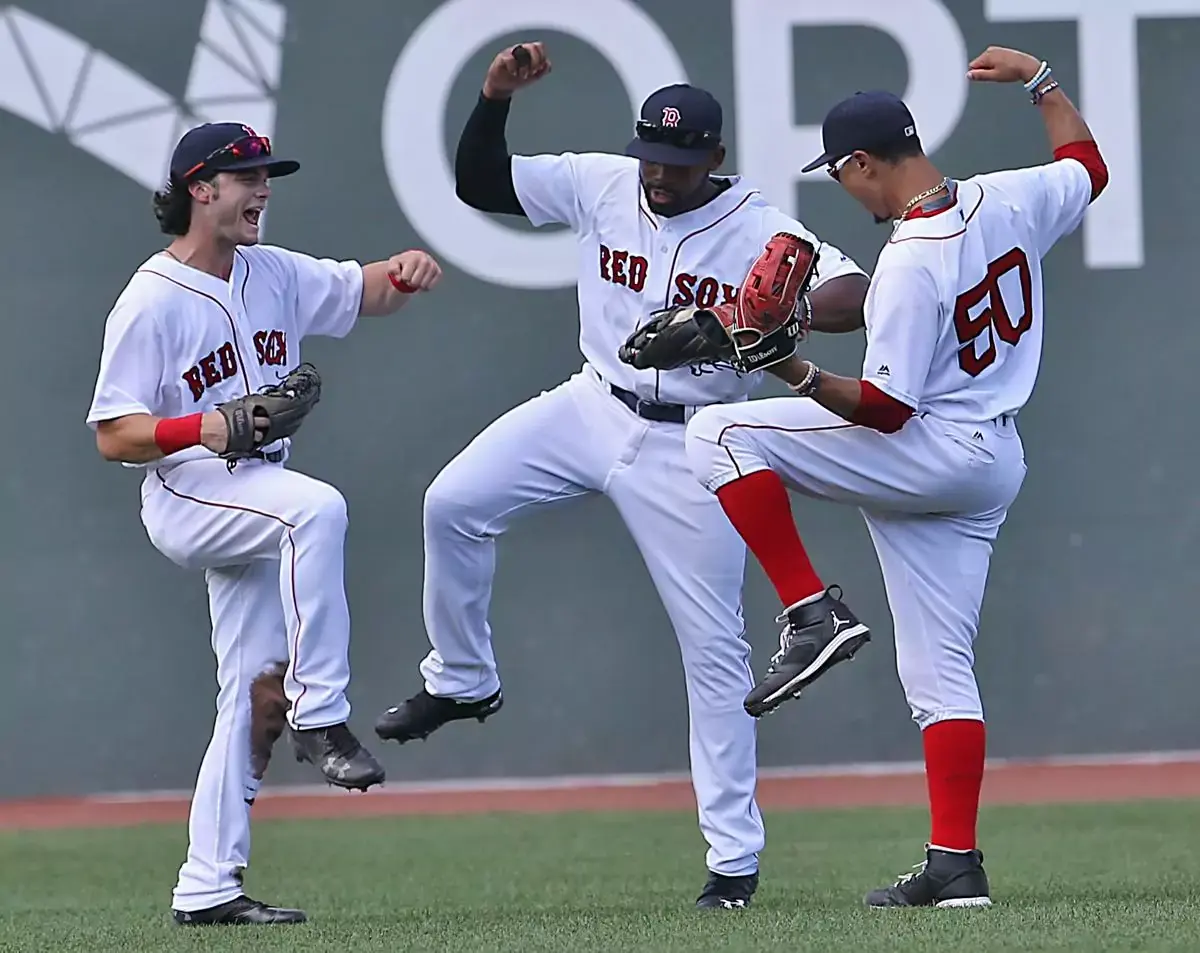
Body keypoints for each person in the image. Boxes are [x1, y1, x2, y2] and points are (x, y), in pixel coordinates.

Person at [373, 42, 870, 910]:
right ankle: (463, 679)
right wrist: (493, 99)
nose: (662, 175)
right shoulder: (603, 181)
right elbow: (482, 186)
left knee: (715, 654)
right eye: (653, 156)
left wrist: (756, 314)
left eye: (680, 163)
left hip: (693, 439)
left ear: (713, 158)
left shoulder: (760, 224)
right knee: (452, 501)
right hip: (591, 403)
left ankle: (733, 862)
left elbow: (854, 293)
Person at [682, 46, 1108, 907]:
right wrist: (1041, 80)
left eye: (840, 175)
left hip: (932, 449)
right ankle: (956, 865)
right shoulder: (1009, 196)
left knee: (718, 431)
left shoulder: (911, 261)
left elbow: (883, 411)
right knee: (940, 671)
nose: (844, 189)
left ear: (864, 163)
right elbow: (1088, 167)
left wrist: (789, 367)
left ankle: (811, 613)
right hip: (992, 460)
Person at [85, 122, 443, 926]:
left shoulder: (271, 273)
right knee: (317, 510)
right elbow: (114, 435)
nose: (263, 189)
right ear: (199, 189)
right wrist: (205, 426)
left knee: (249, 700)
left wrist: (407, 271)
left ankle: (207, 885)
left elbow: (365, 289)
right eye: (246, 176)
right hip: (189, 490)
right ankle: (321, 711)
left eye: (266, 175)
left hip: (258, 492)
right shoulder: (151, 298)